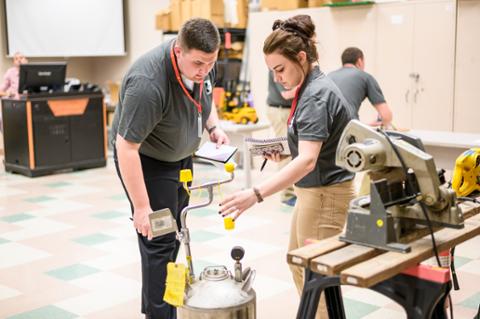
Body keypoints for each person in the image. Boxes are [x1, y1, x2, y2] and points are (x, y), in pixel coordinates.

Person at [219, 15, 355, 318]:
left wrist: (255, 193)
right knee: (299, 262)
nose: (277, 77)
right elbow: (309, 146)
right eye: (272, 71)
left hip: (326, 193)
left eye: (280, 69)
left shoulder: (316, 95)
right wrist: (282, 149)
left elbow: (307, 160)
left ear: (302, 58)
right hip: (314, 191)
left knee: (314, 275)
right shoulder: (309, 89)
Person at [110, 18, 229, 319]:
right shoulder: (148, 84)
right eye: (199, 63)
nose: (204, 70)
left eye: (210, 63)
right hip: (148, 163)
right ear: (178, 51)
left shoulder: (203, 61)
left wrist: (213, 127)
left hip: (181, 160)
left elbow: (204, 95)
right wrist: (141, 206)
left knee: (177, 232)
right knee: (158, 239)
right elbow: (126, 148)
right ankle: (159, 314)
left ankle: (162, 305)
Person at [328, 47, 393, 128]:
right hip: (347, 129)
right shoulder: (365, 77)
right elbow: (386, 116)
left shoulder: (329, 76)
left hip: (324, 128)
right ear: (359, 61)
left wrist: (365, 125)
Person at [266, 71, 297, 206]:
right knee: (286, 152)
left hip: (288, 110)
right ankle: (287, 195)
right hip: (281, 111)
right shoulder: (279, 67)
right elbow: (287, 94)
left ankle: (290, 191)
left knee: (292, 151)